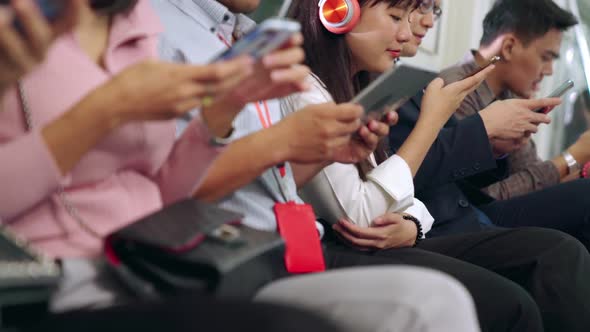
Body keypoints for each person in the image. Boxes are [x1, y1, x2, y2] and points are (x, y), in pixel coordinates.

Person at [0, 1, 481, 332]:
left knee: (436, 300)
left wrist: (225, 115)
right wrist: (105, 109)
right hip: (68, 284)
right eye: (398, 14)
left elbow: (167, 191)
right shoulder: (24, 28)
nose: (412, 27)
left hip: (173, 265)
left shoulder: (136, 24)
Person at [153, 0, 483, 331]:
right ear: (338, 11)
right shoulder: (164, 34)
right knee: (446, 300)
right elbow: (359, 215)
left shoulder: (251, 35)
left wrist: (326, 153)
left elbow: (275, 181)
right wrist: (432, 122)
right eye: (397, 16)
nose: (411, 28)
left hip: (286, 242)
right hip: (234, 253)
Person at [284, 0, 590, 331]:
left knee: (561, 253)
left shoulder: (362, 84)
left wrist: (413, 223)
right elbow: (374, 202)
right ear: (337, 11)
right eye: (400, 14)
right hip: (384, 236)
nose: (422, 23)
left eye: (430, 10)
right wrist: (572, 156)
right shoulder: (335, 92)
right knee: (523, 292)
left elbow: (401, 191)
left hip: (435, 222)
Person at [416, 0, 590, 251]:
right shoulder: (453, 90)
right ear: (508, 47)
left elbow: (532, 174)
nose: (550, 71)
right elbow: (483, 196)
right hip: (461, 220)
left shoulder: (507, 97)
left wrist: (576, 167)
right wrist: (572, 157)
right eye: (546, 57)